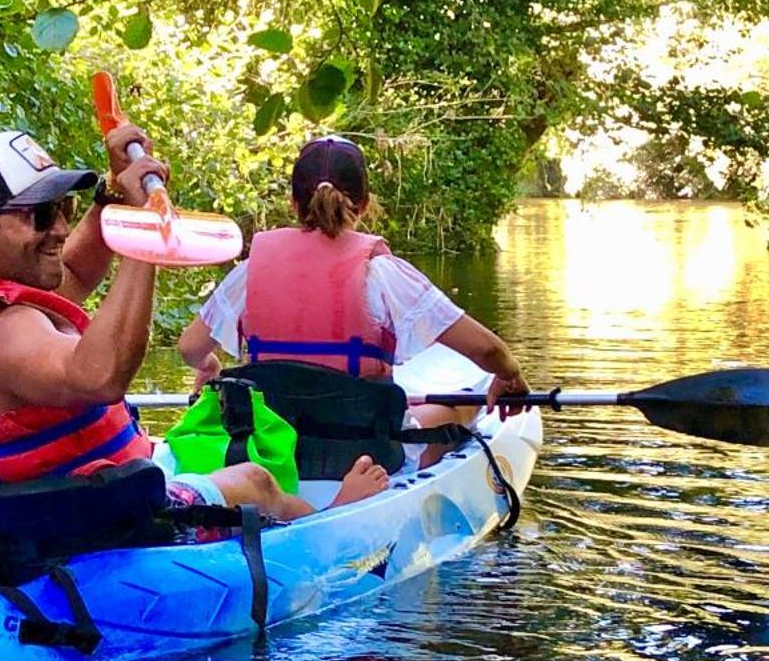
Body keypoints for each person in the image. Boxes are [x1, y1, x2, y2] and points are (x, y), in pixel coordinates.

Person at [0, 123, 388, 520]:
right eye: (41, 215)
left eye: (63, 208)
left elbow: (77, 272)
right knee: (256, 480)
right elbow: (100, 376)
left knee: (200, 449)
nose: (61, 227)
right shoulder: (2, 335)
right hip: (84, 510)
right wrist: (143, 233)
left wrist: (111, 195)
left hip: (52, 494)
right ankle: (336, 517)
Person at [176, 135, 530, 461]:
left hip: (274, 449)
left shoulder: (249, 272)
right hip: (365, 455)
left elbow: (190, 347)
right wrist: (510, 374)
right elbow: (487, 351)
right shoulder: (383, 272)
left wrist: (209, 367)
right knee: (458, 410)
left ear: (293, 202)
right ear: (363, 204)